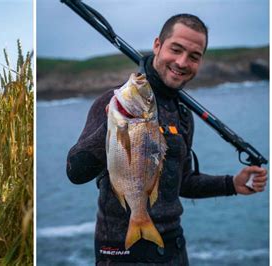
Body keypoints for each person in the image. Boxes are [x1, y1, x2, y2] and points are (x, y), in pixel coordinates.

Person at [66, 14, 268, 265]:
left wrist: (231, 184)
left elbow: (181, 182)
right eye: (176, 49)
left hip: (173, 248)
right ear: (157, 45)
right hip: (120, 252)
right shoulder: (114, 101)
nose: (182, 62)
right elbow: (75, 172)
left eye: (194, 56)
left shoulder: (183, 113)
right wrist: (113, 125)